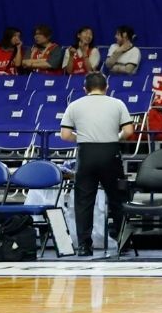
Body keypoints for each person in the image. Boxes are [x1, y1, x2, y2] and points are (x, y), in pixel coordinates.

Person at [58, 72, 136, 257]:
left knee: (84, 201)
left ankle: (84, 246)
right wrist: (115, 137)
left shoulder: (75, 105)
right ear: (106, 87)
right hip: (110, 152)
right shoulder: (117, 103)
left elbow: (65, 135)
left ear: (85, 88)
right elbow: (128, 130)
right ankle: (123, 242)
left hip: (86, 154)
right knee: (118, 199)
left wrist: (82, 138)